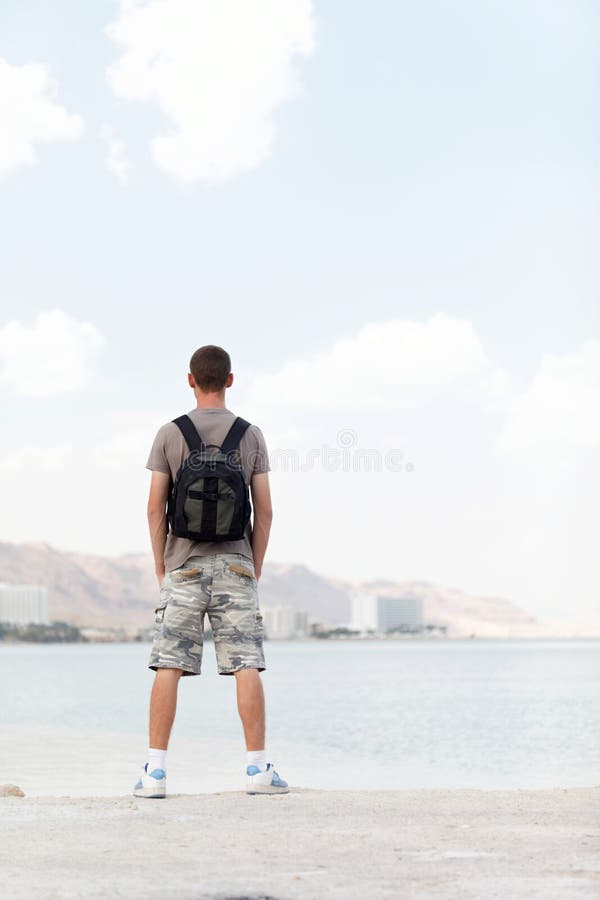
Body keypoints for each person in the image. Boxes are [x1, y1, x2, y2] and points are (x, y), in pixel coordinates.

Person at [133, 344, 288, 799]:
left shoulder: (170, 433)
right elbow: (266, 511)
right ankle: (258, 770)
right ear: (231, 380)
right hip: (237, 565)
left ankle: (155, 774)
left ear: (190, 380)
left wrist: (164, 566)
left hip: (182, 565)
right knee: (245, 665)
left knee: (168, 664)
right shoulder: (251, 435)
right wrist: (251, 567)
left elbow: (154, 508)